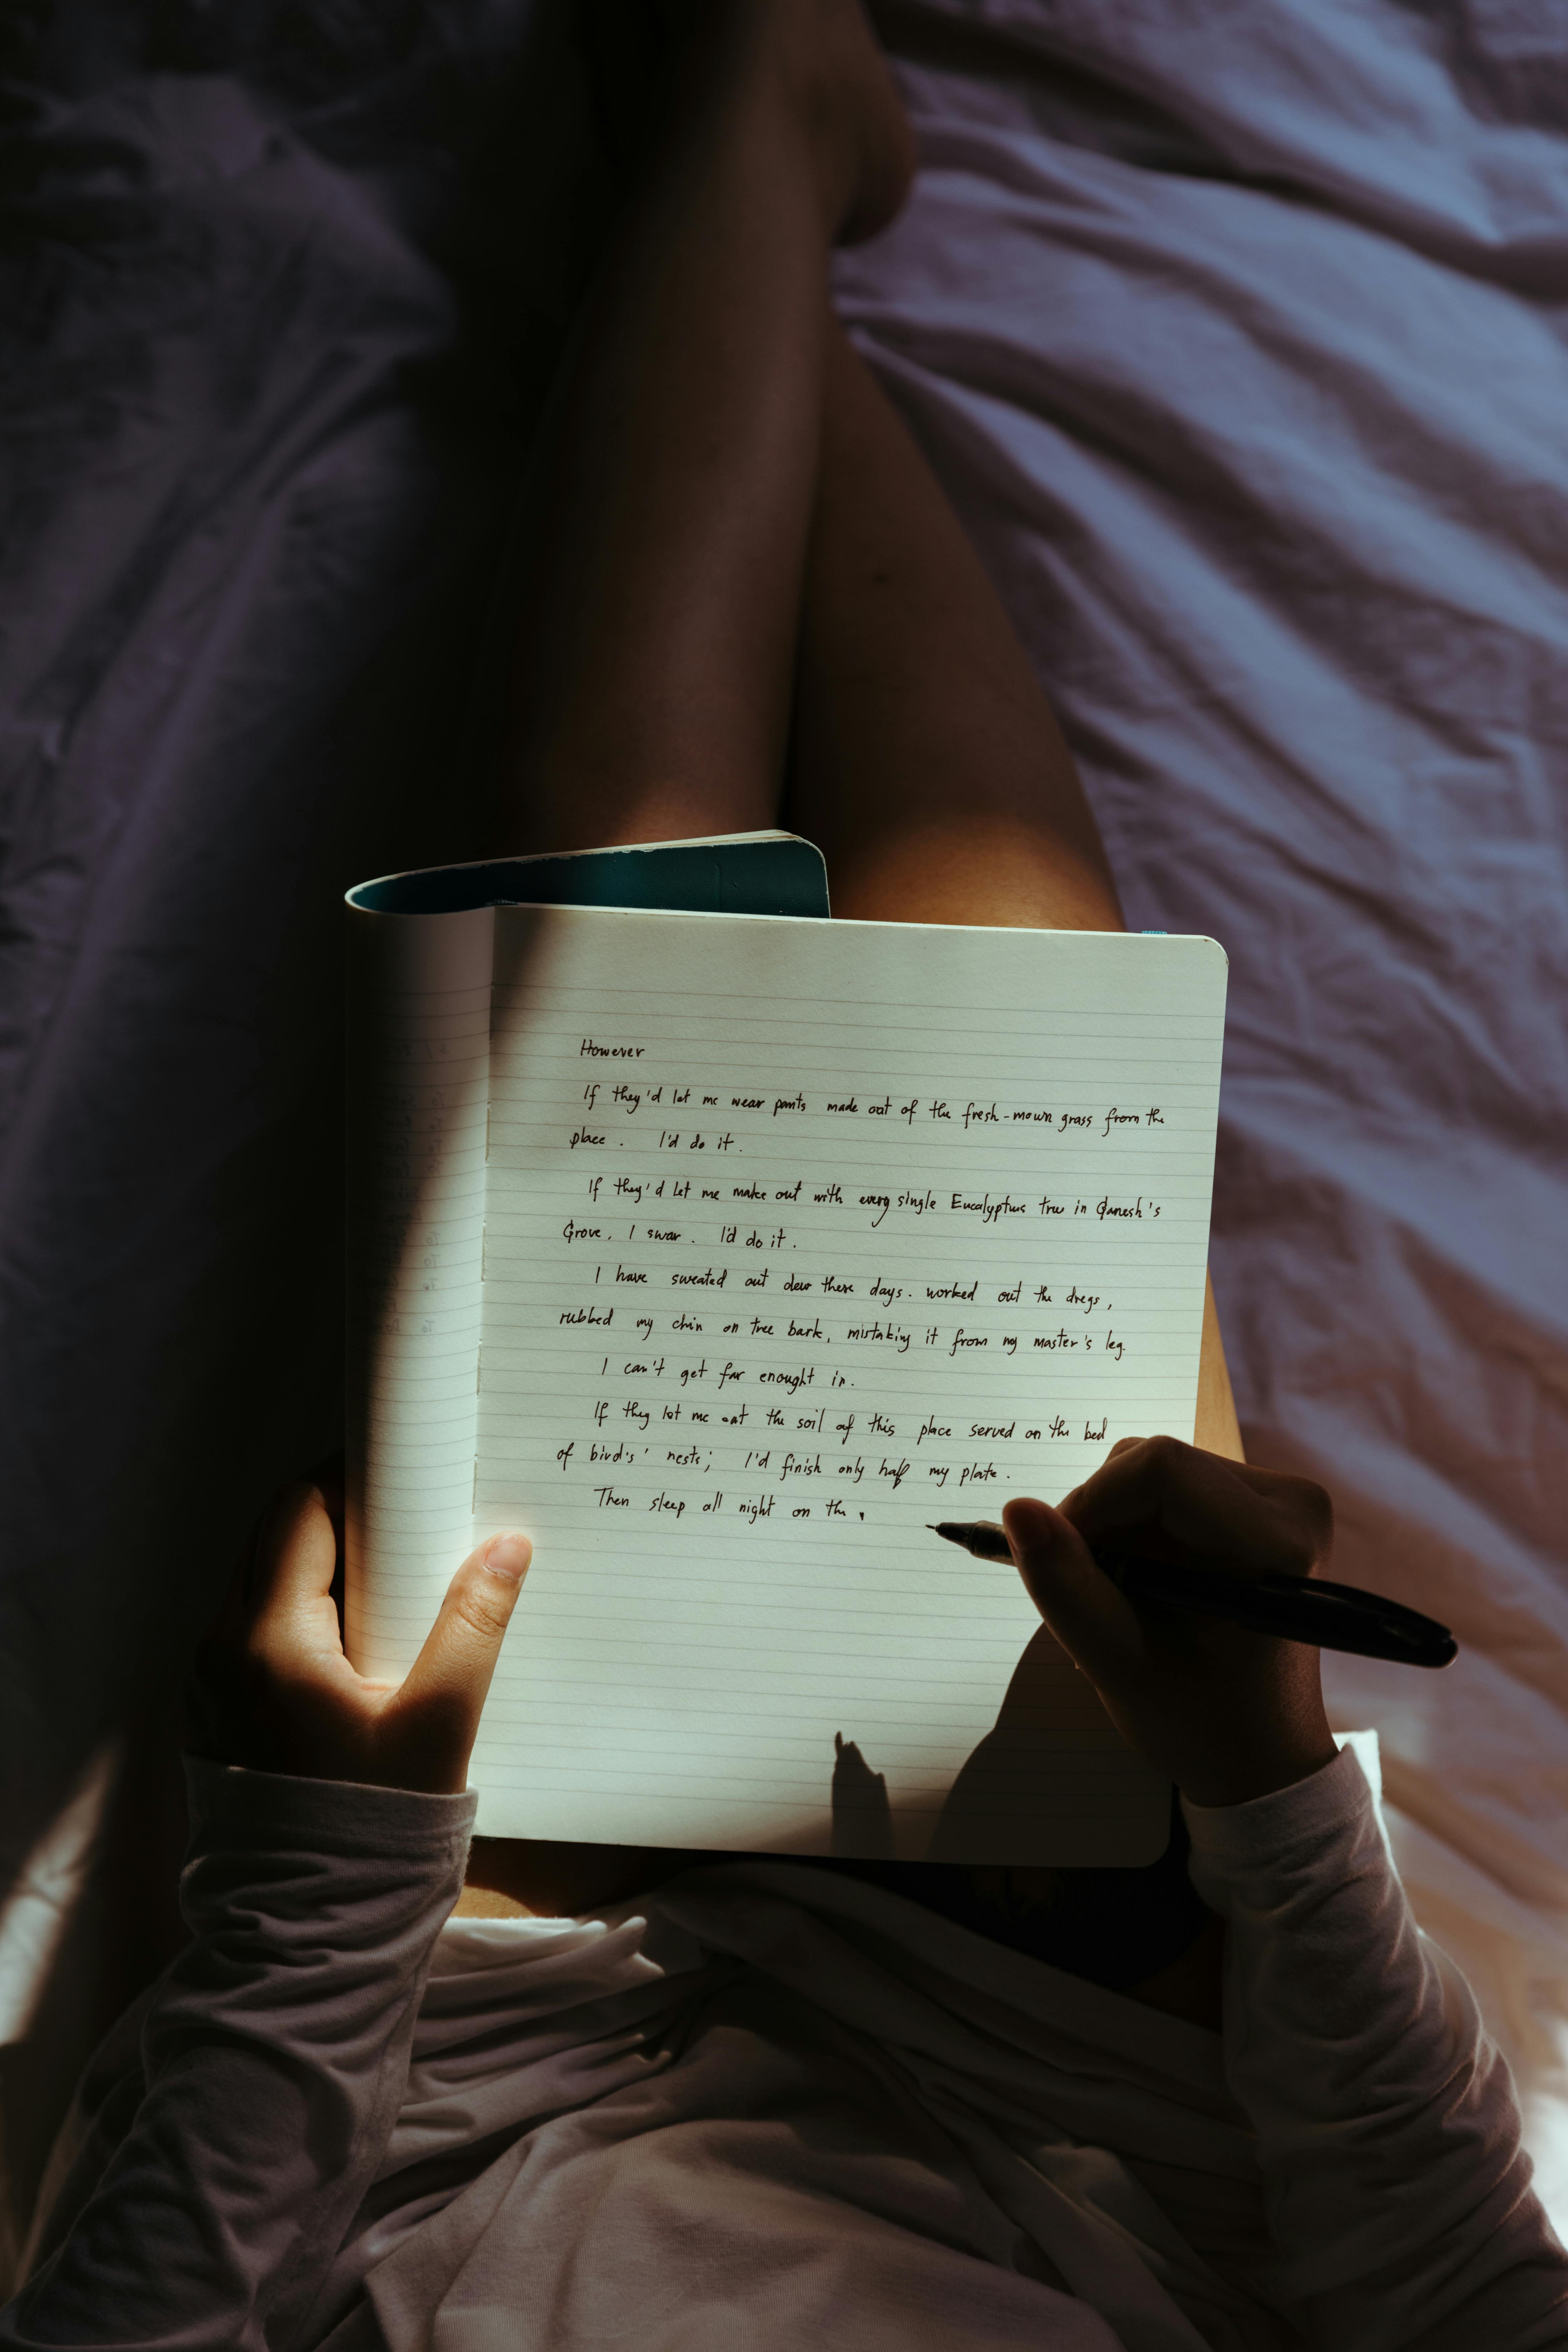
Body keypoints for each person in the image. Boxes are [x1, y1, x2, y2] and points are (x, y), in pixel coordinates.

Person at [7, 5, 1566, 2345]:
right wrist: (1265, 1799)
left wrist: (325, 1877)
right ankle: (758, 173)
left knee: (608, 941)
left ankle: (746, 130)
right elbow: (1461, 2299)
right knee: (984, 995)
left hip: (479, 2055)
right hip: (1089, 2074)